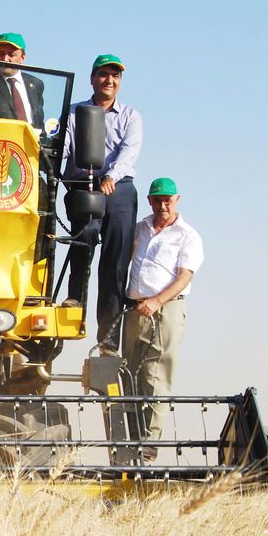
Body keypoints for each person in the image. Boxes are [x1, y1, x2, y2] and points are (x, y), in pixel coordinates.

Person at [60, 54, 144, 349]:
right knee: (83, 243)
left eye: (115, 76)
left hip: (118, 188)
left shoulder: (130, 116)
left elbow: (128, 153)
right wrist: (66, 177)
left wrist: (111, 177)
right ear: (92, 78)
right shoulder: (73, 113)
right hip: (84, 185)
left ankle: (108, 339)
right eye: (104, 75)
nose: (109, 81)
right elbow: (64, 148)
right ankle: (74, 305)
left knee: (115, 261)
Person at [121, 178, 204, 458]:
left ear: (177, 200)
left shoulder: (188, 236)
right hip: (135, 309)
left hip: (166, 309)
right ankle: (129, 441)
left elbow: (185, 276)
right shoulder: (139, 230)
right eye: (157, 200)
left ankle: (149, 444)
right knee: (129, 372)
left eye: (167, 200)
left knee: (155, 374)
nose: (162, 205)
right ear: (149, 201)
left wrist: (157, 301)